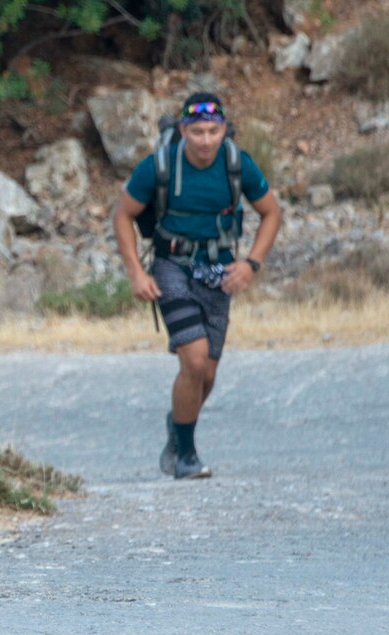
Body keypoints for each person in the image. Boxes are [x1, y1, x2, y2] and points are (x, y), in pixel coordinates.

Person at [114, 92, 281, 479]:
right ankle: (185, 456)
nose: (205, 140)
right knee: (192, 359)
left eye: (213, 131)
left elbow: (271, 212)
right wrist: (137, 273)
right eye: (197, 131)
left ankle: (178, 427)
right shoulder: (158, 166)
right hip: (172, 267)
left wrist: (251, 264)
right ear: (183, 130)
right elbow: (122, 215)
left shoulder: (238, 164)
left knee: (206, 374)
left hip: (220, 272)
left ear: (224, 129)